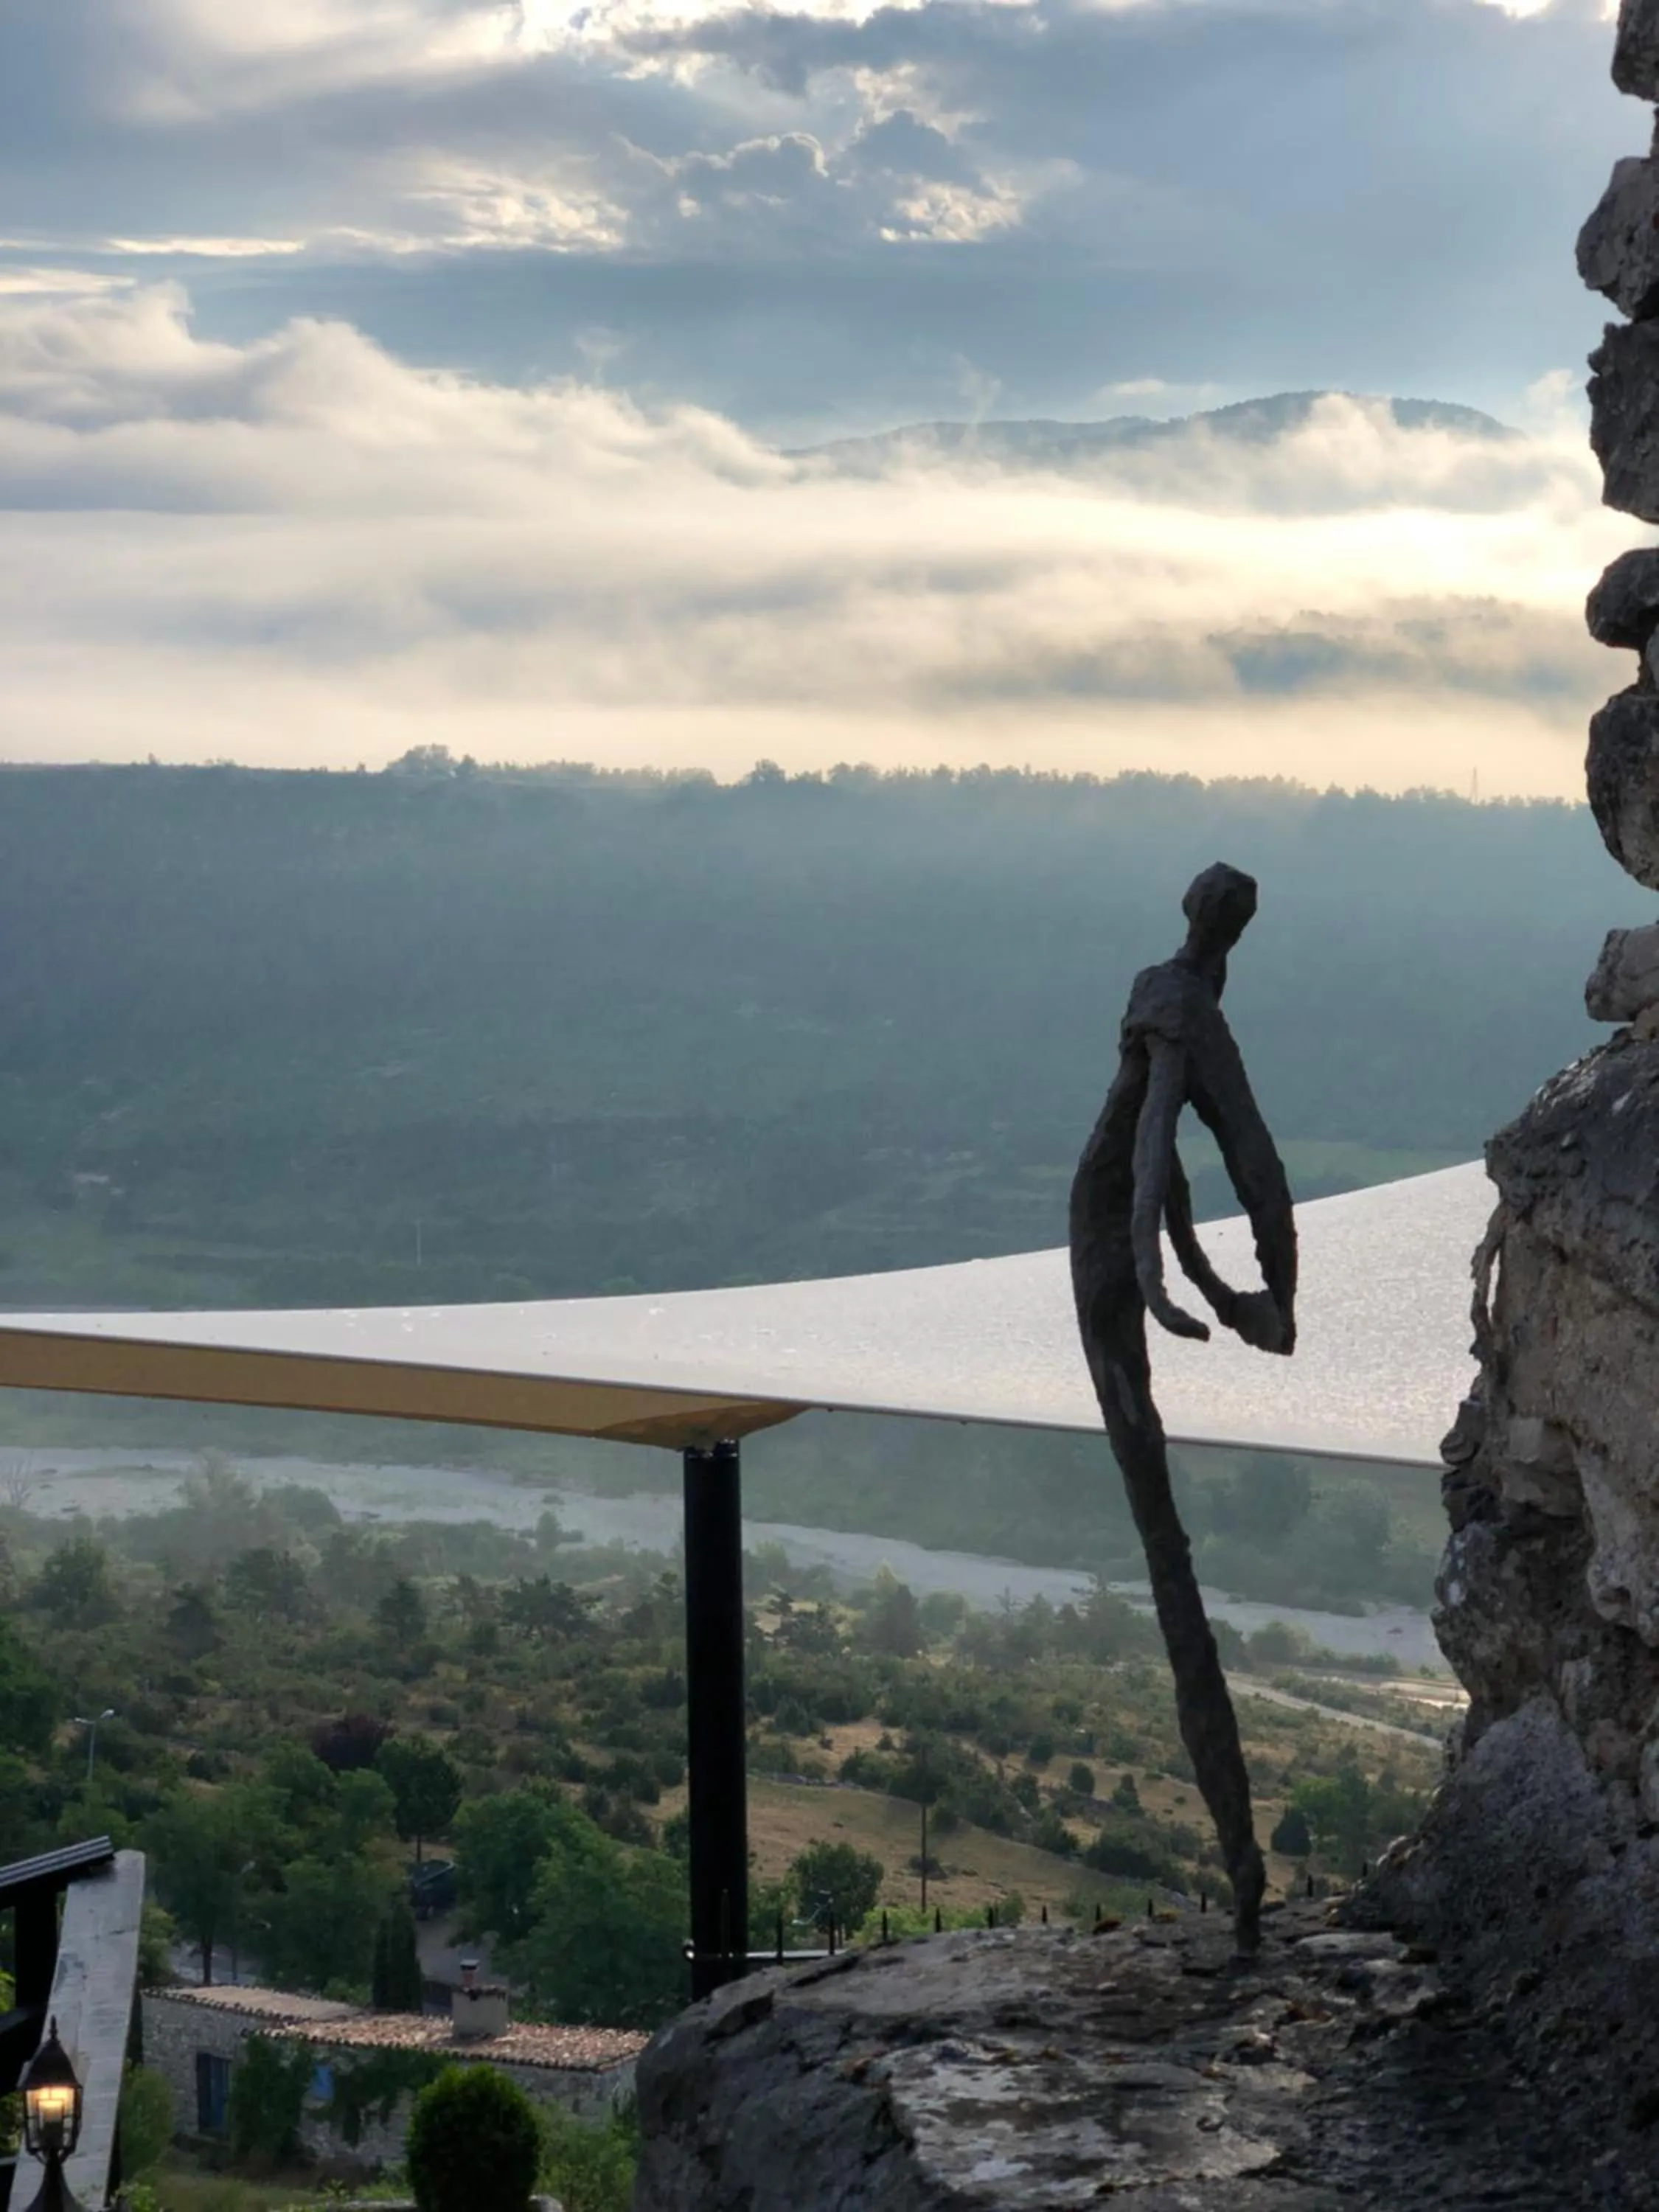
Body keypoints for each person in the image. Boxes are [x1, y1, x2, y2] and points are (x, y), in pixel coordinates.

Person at [1069, 862, 1297, 1952]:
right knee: (1162, 1547)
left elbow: (1235, 1155)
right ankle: (1242, 1864)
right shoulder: (1177, 1004)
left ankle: (1244, 1867)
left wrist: (1246, 1291)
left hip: (1111, 1233)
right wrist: (1190, 1286)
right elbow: (1166, 1143)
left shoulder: (1174, 997)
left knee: (1164, 1543)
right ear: (1231, 931)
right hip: (1106, 1245)